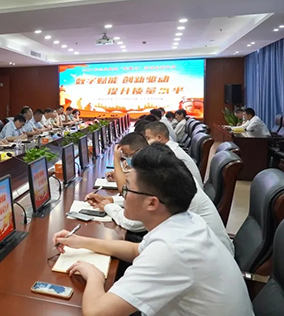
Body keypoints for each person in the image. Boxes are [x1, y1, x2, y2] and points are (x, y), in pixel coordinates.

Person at [53, 144, 253, 316]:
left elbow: (96, 311)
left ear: (152, 203)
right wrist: (81, 242)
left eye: (127, 188)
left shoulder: (171, 251)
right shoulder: (186, 221)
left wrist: (94, 276)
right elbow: (136, 250)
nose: (123, 195)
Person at [143, 121, 233, 253]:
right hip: (204, 245)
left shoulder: (171, 173)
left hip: (206, 252)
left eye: (147, 138)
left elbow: (140, 221)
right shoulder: (169, 161)